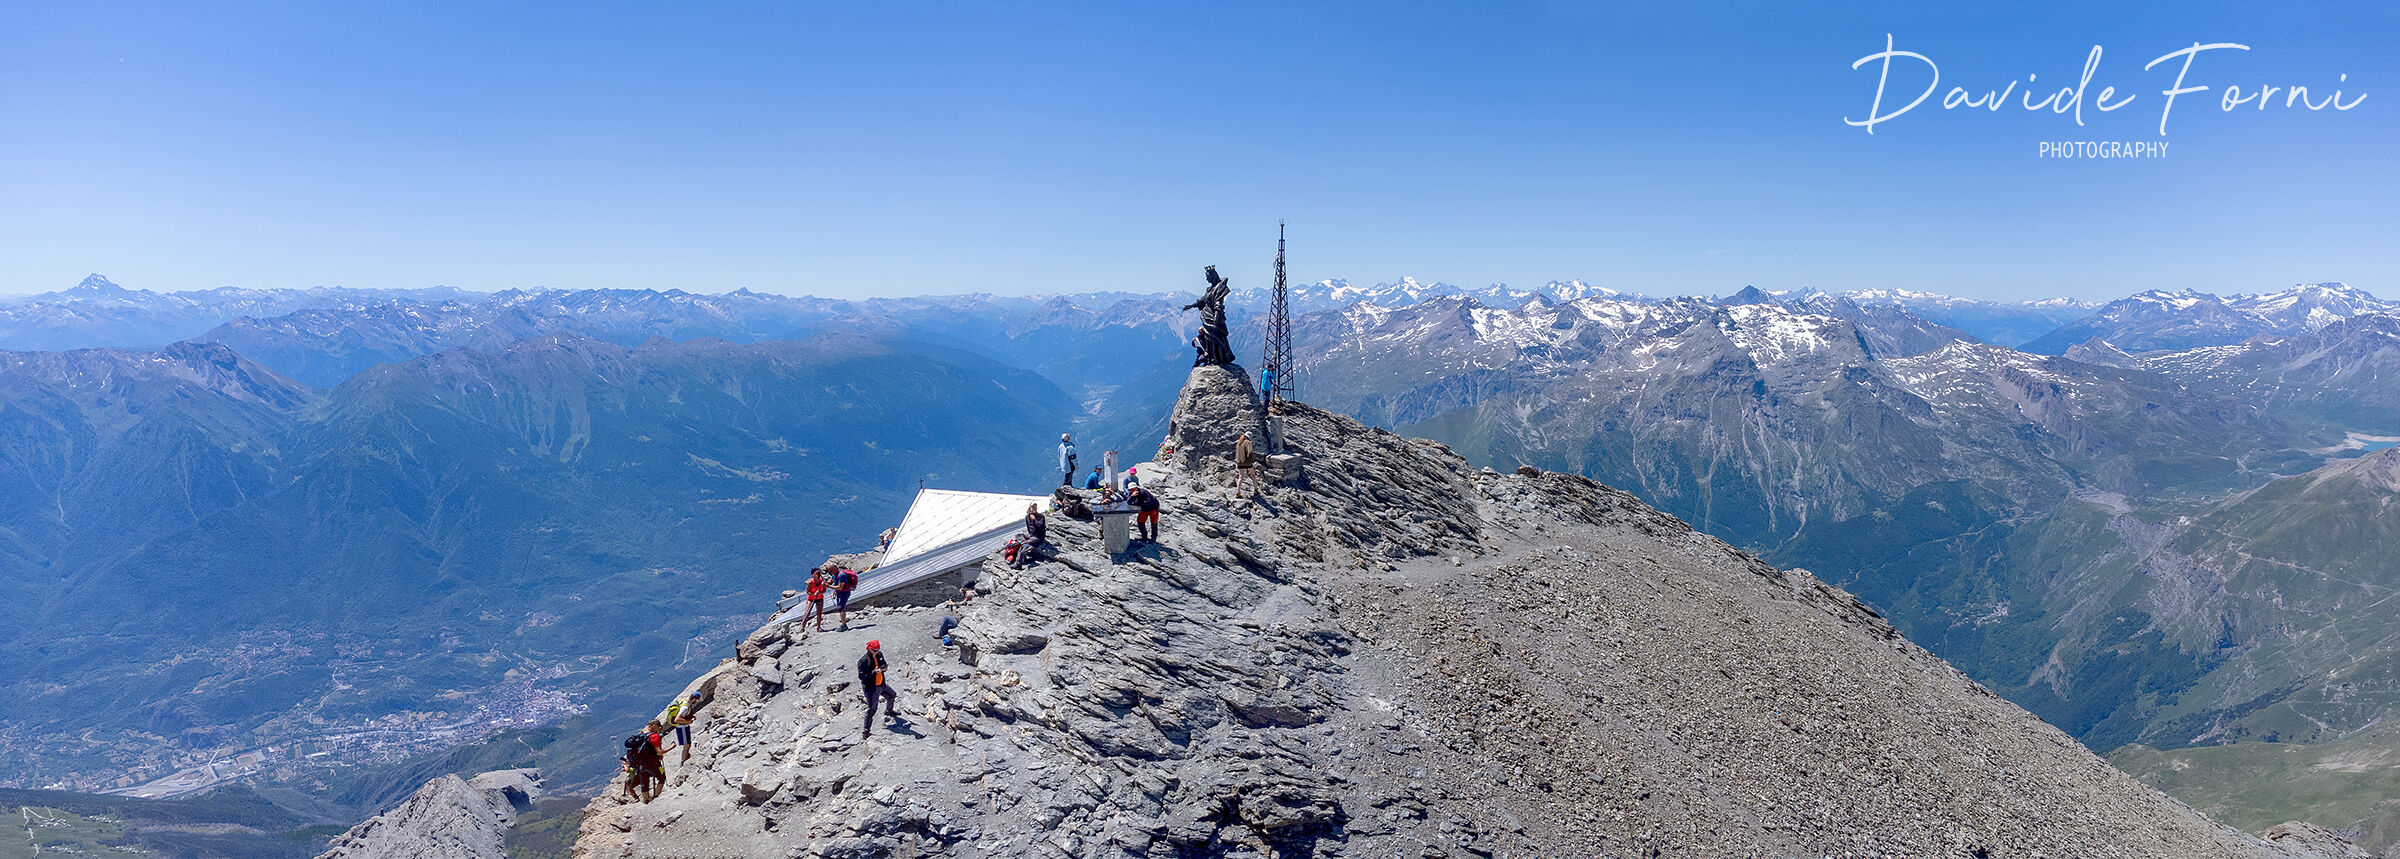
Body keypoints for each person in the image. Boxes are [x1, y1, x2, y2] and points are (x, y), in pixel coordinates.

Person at [857, 640, 899, 738]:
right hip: (871, 689)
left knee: (892, 695)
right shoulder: (863, 661)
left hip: (881, 683)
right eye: (874, 650)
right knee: (872, 709)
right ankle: (866, 731)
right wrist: (873, 672)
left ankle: (889, 710)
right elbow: (861, 677)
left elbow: (884, 664)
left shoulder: (879, 654)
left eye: (877, 650)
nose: (876, 652)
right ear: (869, 649)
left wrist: (884, 668)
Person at [620, 722, 666, 802]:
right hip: (652, 763)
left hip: (638, 766)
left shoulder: (638, 739)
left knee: (644, 783)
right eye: (658, 727)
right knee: (661, 777)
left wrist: (626, 765)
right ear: (654, 725)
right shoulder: (653, 737)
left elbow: (627, 768)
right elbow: (659, 752)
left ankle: (644, 800)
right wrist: (672, 747)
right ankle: (655, 797)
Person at [664, 692, 701, 763]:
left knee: (688, 744)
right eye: (696, 700)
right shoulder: (685, 707)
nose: (696, 702)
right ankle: (684, 761)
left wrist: (691, 715)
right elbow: (677, 719)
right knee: (687, 745)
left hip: (683, 727)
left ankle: (686, 757)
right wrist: (688, 721)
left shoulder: (686, 701)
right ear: (693, 699)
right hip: (682, 727)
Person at [801, 568, 829, 633]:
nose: (818, 576)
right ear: (813, 575)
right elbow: (807, 591)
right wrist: (814, 594)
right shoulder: (811, 583)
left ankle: (818, 628)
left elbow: (824, 590)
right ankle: (802, 627)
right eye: (816, 575)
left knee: (819, 614)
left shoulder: (822, 582)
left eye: (819, 574)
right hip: (811, 599)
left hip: (819, 598)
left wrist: (820, 592)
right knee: (807, 613)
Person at [1234, 431, 1260, 495]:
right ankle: (1256, 489)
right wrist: (1251, 459)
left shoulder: (1239, 443)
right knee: (1253, 475)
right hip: (1247, 462)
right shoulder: (1248, 443)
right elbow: (1250, 452)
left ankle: (1238, 492)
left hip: (1240, 462)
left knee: (1240, 477)